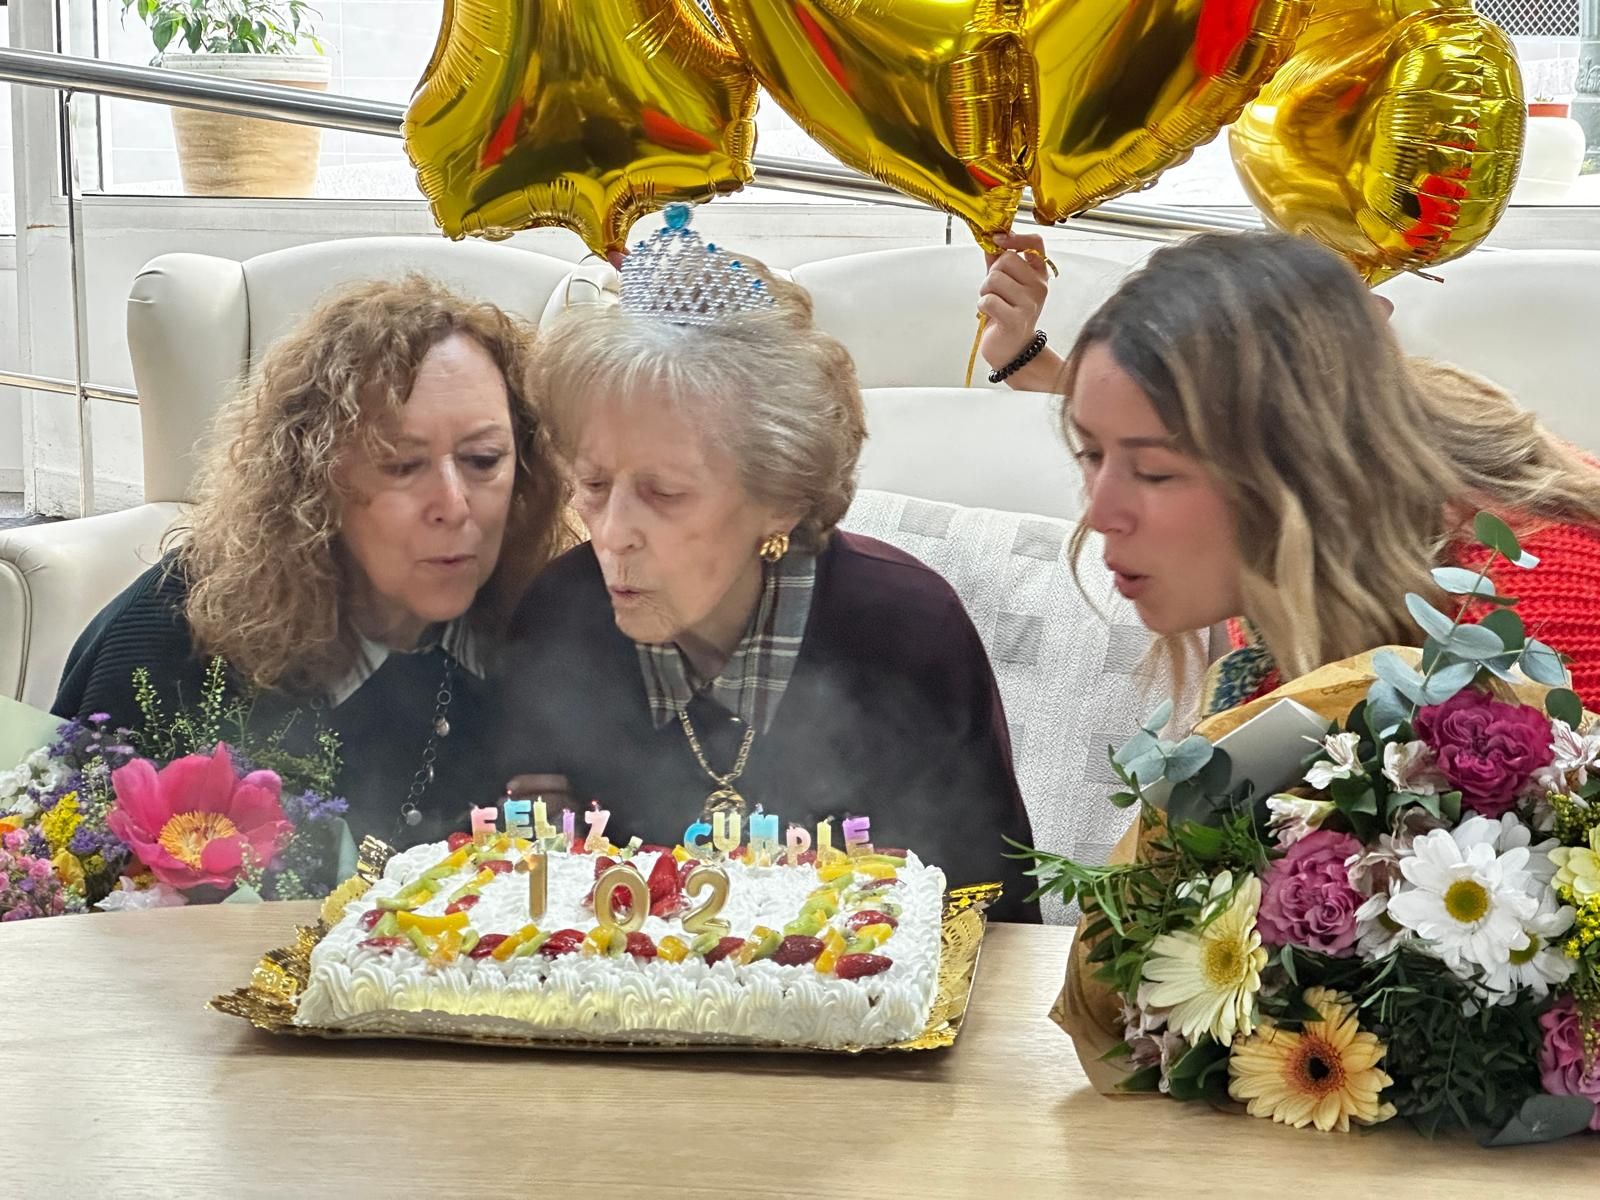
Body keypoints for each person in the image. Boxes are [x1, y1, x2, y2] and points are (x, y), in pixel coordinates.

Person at [497, 206, 1040, 921]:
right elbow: (509, 902)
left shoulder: (909, 633)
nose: (611, 534)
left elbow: (992, 921)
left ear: (779, 498)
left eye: (663, 492)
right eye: (594, 485)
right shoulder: (557, 620)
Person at [977, 230, 1600, 713]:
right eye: (1090, 454)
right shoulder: (1301, 560)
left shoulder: (1535, 653)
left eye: (1155, 474)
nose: (1099, 514)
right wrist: (1029, 362)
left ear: (1297, 471)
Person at [54, 276, 571, 846]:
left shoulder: (543, 632)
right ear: (315, 478)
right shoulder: (168, 641)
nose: (453, 505)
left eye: (483, 459)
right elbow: (68, 885)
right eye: (401, 465)